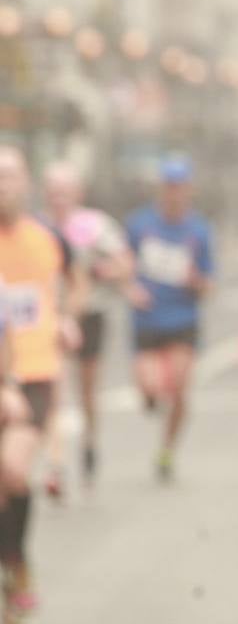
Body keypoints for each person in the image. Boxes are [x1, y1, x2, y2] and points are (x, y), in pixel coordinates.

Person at [0, 146, 83, 624]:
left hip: (34, 372)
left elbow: (75, 281)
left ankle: (17, 564)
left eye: (10, 176)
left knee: (12, 471)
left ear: (26, 182)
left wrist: (68, 318)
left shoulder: (48, 238)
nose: (3, 186)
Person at [125, 157, 214, 482]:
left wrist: (196, 282)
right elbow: (124, 264)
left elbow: (209, 285)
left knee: (178, 387)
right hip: (147, 319)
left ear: (189, 190)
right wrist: (130, 288)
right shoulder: (140, 225)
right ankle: (151, 398)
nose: (174, 193)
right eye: (169, 186)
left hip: (182, 318)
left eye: (180, 187)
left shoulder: (199, 230)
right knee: (149, 391)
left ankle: (167, 450)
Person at [42, 162, 130, 488]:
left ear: (78, 193)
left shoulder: (94, 226)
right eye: (53, 192)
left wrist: (100, 272)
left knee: (87, 390)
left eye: (65, 192)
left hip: (90, 314)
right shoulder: (40, 227)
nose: (58, 199)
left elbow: (124, 265)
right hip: (49, 317)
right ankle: (56, 463)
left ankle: (90, 440)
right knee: (54, 388)